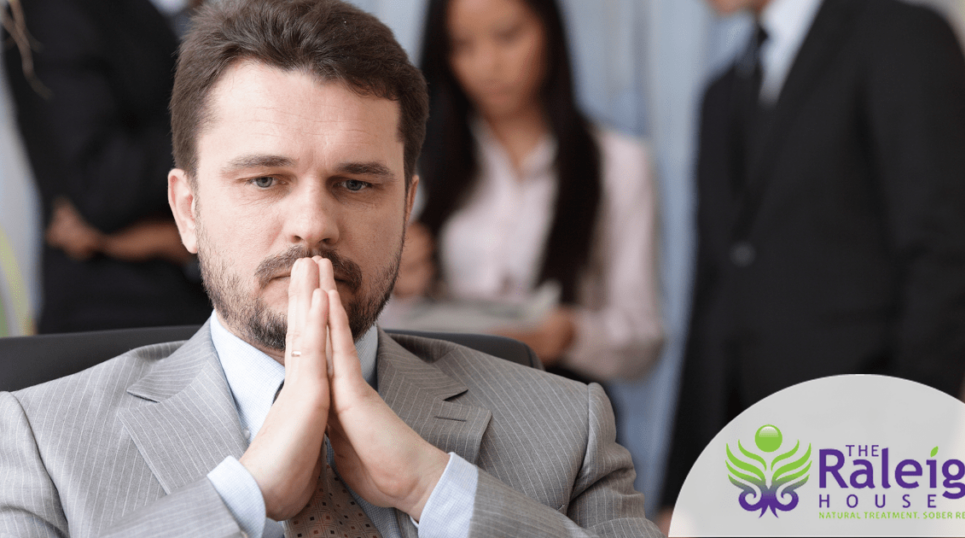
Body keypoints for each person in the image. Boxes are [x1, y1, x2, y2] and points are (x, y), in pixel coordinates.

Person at [0, 1, 662, 536]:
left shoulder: (569, 427)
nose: (312, 222)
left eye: (355, 184)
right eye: (265, 180)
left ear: (406, 207)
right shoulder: (37, 441)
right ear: (189, 209)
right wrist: (242, 497)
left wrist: (435, 489)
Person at [657, 0, 965, 526]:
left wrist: (899, 461)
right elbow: (712, 302)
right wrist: (679, 487)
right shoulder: (720, 94)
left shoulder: (901, 38)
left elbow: (946, 264)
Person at [392, 0, 663, 382]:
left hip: (562, 410)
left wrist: (571, 334)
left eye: (507, 36)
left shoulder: (618, 164)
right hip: (435, 401)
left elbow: (643, 343)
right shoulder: (413, 163)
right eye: (462, 46)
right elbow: (371, 331)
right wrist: (399, 286)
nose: (488, 65)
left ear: (549, 31)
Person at [2, 0, 211, 333]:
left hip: (196, 297)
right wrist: (226, 120)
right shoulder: (54, 11)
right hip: (121, 317)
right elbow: (99, 184)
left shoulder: (185, 14)